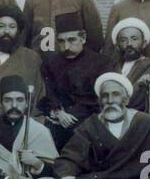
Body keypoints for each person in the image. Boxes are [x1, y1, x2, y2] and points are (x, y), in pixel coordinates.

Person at [38, 10, 111, 147]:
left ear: (83, 38)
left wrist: (70, 115)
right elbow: (48, 93)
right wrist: (58, 112)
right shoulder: (51, 64)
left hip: (90, 126)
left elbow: (99, 100)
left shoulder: (102, 63)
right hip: (57, 125)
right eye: (61, 41)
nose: (66, 47)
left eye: (72, 40)